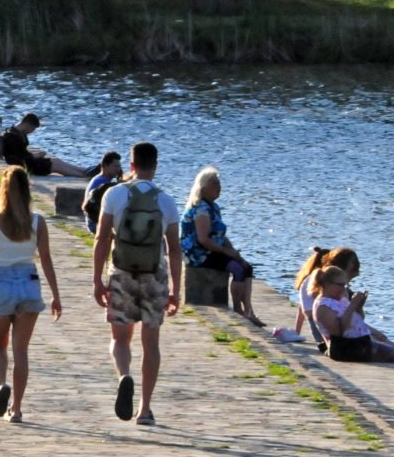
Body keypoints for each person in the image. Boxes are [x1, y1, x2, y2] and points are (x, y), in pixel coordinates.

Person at [92, 141, 181, 426]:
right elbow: (175, 249)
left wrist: (97, 279)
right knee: (150, 343)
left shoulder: (115, 195)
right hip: (155, 275)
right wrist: (176, 289)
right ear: (155, 166)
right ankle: (144, 409)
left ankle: (124, 375)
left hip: (122, 271)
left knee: (119, 338)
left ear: (131, 165)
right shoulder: (166, 201)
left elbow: (102, 238)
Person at [0, 166, 62, 424]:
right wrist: (56, 295)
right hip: (29, 283)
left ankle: (1, 384)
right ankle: (17, 409)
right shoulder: (37, 222)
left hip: (0, 281)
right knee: (21, 350)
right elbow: (46, 260)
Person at [178, 166, 262, 326]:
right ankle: (238, 309)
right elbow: (203, 240)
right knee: (237, 269)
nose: (219, 187)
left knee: (246, 267)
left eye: (219, 183)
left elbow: (220, 235)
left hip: (212, 251)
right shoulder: (201, 208)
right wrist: (227, 252)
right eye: (215, 184)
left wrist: (233, 251)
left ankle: (249, 310)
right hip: (199, 254)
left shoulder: (213, 207)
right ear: (203, 188)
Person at [311, 266, 394, 367]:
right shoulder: (323, 306)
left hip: (359, 343)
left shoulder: (339, 300)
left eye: (345, 285)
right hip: (347, 348)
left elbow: (356, 321)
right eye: (340, 285)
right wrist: (352, 305)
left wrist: (358, 306)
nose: (343, 289)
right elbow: (339, 333)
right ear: (327, 284)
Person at [291, 246, 361, 346]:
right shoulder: (325, 283)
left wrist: (296, 332)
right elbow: (339, 317)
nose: (343, 287)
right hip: (328, 334)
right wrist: (354, 304)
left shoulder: (317, 278)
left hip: (321, 330)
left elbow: (302, 306)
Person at [1, 113, 88, 177]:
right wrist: (37, 155)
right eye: (32, 129)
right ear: (28, 125)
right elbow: (21, 157)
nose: (32, 132)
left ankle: (85, 170)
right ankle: (83, 175)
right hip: (24, 166)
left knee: (55, 160)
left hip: (28, 162)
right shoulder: (12, 136)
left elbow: (22, 153)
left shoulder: (18, 133)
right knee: (55, 166)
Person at [82, 151, 122, 234]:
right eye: (115, 166)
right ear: (105, 165)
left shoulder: (100, 179)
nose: (118, 169)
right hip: (95, 224)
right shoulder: (102, 184)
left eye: (119, 166)